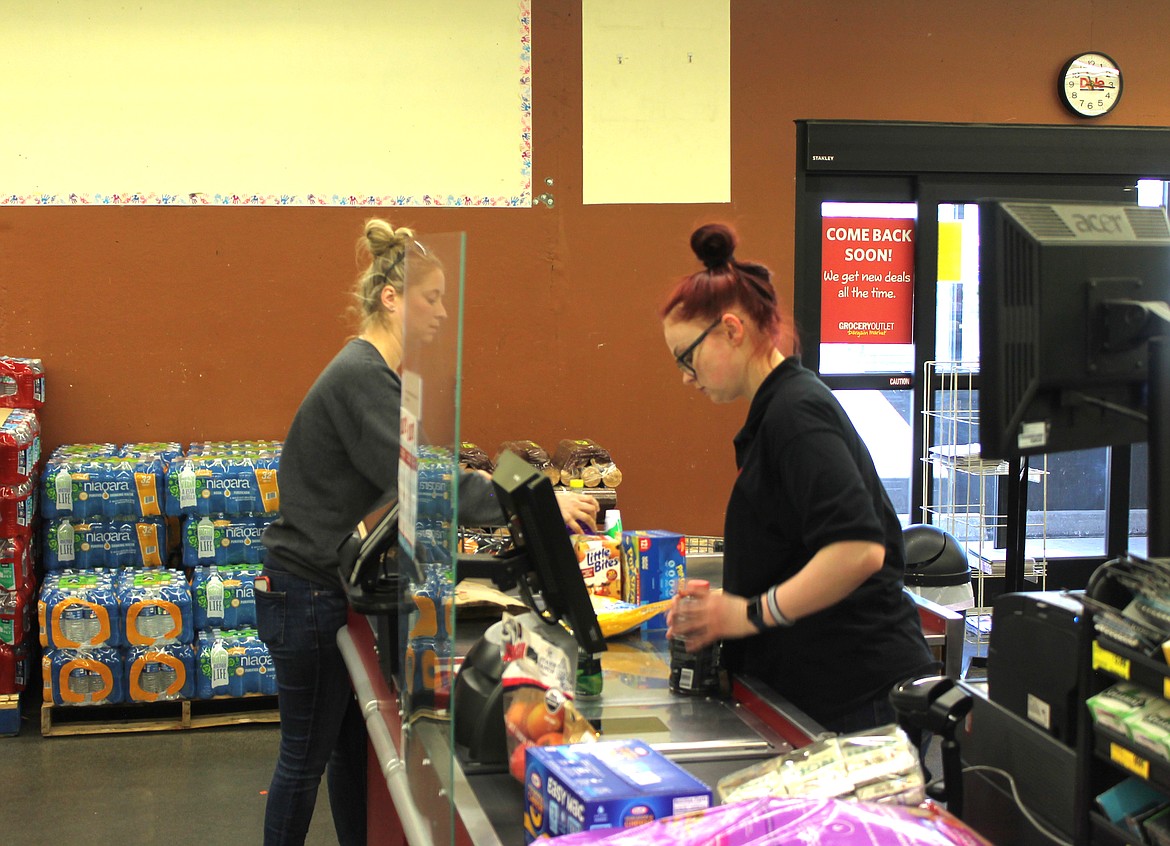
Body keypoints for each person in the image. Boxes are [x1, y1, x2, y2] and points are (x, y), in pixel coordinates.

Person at [257, 218, 598, 846]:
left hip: (316, 586)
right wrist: (529, 500)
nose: (443, 313)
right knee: (302, 761)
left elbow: (415, 480)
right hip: (304, 592)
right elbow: (422, 484)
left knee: (343, 754)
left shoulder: (376, 375)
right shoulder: (362, 375)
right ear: (393, 298)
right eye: (432, 298)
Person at [662, 222, 937, 739]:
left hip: (860, 699)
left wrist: (745, 613)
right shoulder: (777, 411)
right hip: (828, 694)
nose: (685, 376)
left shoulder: (796, 413)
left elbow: (858, 549)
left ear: (731, 330)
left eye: (687, 357)